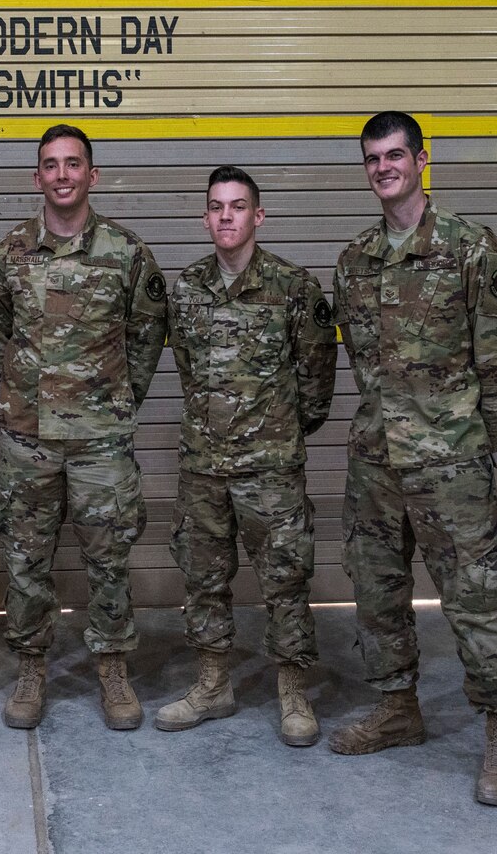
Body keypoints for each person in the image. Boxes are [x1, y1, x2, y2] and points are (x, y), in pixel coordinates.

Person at [329, 111, 497, 806]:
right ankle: (397, 707)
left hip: (451, 465)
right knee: (377, 591)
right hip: (376, 461)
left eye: (394, 155)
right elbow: (360, 361)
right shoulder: (354, 260)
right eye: (371, 159)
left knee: (477, 596)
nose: (383, 167)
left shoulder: (470, 248)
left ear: (421, 160)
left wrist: (470, 445)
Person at [0, 123, 168, 730]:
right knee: (25, 561)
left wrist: (114, 401)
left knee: (108, 560)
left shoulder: (126, 253)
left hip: (100, 440)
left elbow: (145, 336)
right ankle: (31, 669)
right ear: (37, 177)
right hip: (27, 440)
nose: (62, 175)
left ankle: (112, 669)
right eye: (50, 165)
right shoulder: (8, 252)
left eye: (73, 164)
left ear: (93, 174)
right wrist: (25, 391)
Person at [157, 166, 336, 744]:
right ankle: (213, 684)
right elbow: (188, 369)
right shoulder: (186, 290)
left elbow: (316, 383)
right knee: (204, 578)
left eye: (238, 207)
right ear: (204, 216)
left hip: (271, 470)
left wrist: (276, 435)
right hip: (203, 468)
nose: (226, 216)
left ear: (259, 216)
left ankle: (292, 692)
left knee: (285, 581)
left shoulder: (295, 288)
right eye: (216, 206)